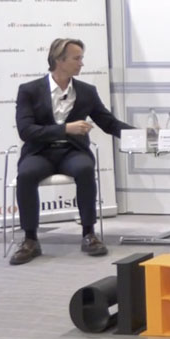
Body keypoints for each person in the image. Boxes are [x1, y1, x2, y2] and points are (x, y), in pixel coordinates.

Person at [10, 38, 132, 265]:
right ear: (59, 60)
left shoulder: (86, 91)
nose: (81, 63)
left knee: (85, 169)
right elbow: (26, 131)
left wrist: (143, 136)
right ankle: (30, 239)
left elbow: (109, 123)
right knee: (26, 175)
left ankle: (89, 234)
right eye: (77, 58)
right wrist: (66, 129)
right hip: (40, 152)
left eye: (81, 58)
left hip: (72, 151)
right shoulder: (29, 90)